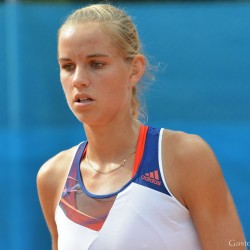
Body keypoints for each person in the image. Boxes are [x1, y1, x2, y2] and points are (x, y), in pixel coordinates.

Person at [37, 3, 245, 250]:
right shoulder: (52, 177)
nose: (79, 80)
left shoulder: (185, 157)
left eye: (96, 64)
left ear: (134, 69)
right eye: (68, 66)